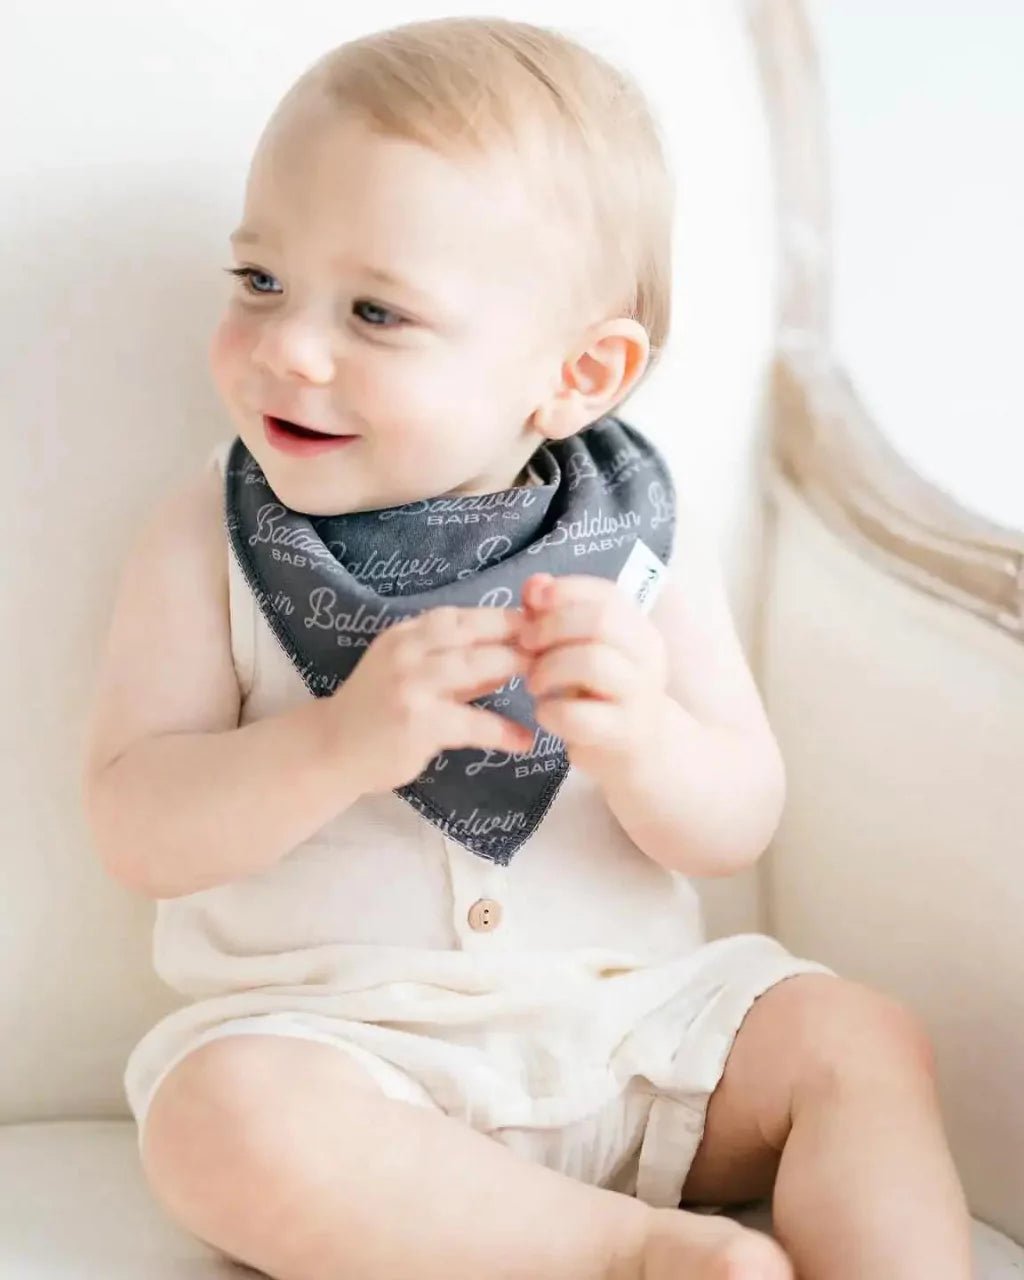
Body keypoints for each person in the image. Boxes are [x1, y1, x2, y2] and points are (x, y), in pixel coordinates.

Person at [80, 17, 971, 1280]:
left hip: (639, 1034)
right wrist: (335, 743)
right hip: (351, 1058)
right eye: (260, 280)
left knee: (857, 1036)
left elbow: (737, 820)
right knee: (216, 1122)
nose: (287, 345)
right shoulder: (210, 535)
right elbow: (137, 824)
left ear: (577, 374)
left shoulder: (633, 544)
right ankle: (630, 1255)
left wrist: (647, 739)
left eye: (375, 311)